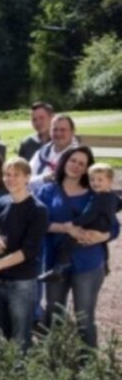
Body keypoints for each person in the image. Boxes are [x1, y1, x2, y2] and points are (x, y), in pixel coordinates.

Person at [36, 146, 116, 347]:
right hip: (55, 262)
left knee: (84, 318)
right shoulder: (47, 190)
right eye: (73, 160)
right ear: (64, 161)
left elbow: (114, 227)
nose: (76, 166)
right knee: (53, 314)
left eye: (82, 163)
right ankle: (52, 363)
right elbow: (38, 224)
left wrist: (101, 236)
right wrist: (64, 228)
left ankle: (89, 367)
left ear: (87, 169)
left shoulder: (95, 192)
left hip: (88, 263)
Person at [0, 158, 48, 351]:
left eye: (16, 175)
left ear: (27, 178)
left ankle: (18, 378)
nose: (11, 179)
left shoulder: (38, 210)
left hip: (22, 282)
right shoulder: (2, 202)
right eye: (7, 174)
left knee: (20, 336)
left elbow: (28, 252)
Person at [44, 163, 119, 281]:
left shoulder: (98, 198)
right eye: (92, 180)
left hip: (95, 224)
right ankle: (105, 265)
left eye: (100, 180)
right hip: (104, 225)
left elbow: (89, 214)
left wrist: (74, 223)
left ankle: (59, 268)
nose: (96, 183)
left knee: (68, 242)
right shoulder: (113, 197)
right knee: (99, 244)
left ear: (109, 181)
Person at [29, 114, 79, 187]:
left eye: (63, 130)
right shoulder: (42, 152)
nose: (58, 133)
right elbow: (25, 178)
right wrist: (43, 179)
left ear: (72, 132)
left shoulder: (78, 155)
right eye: (55, 129)